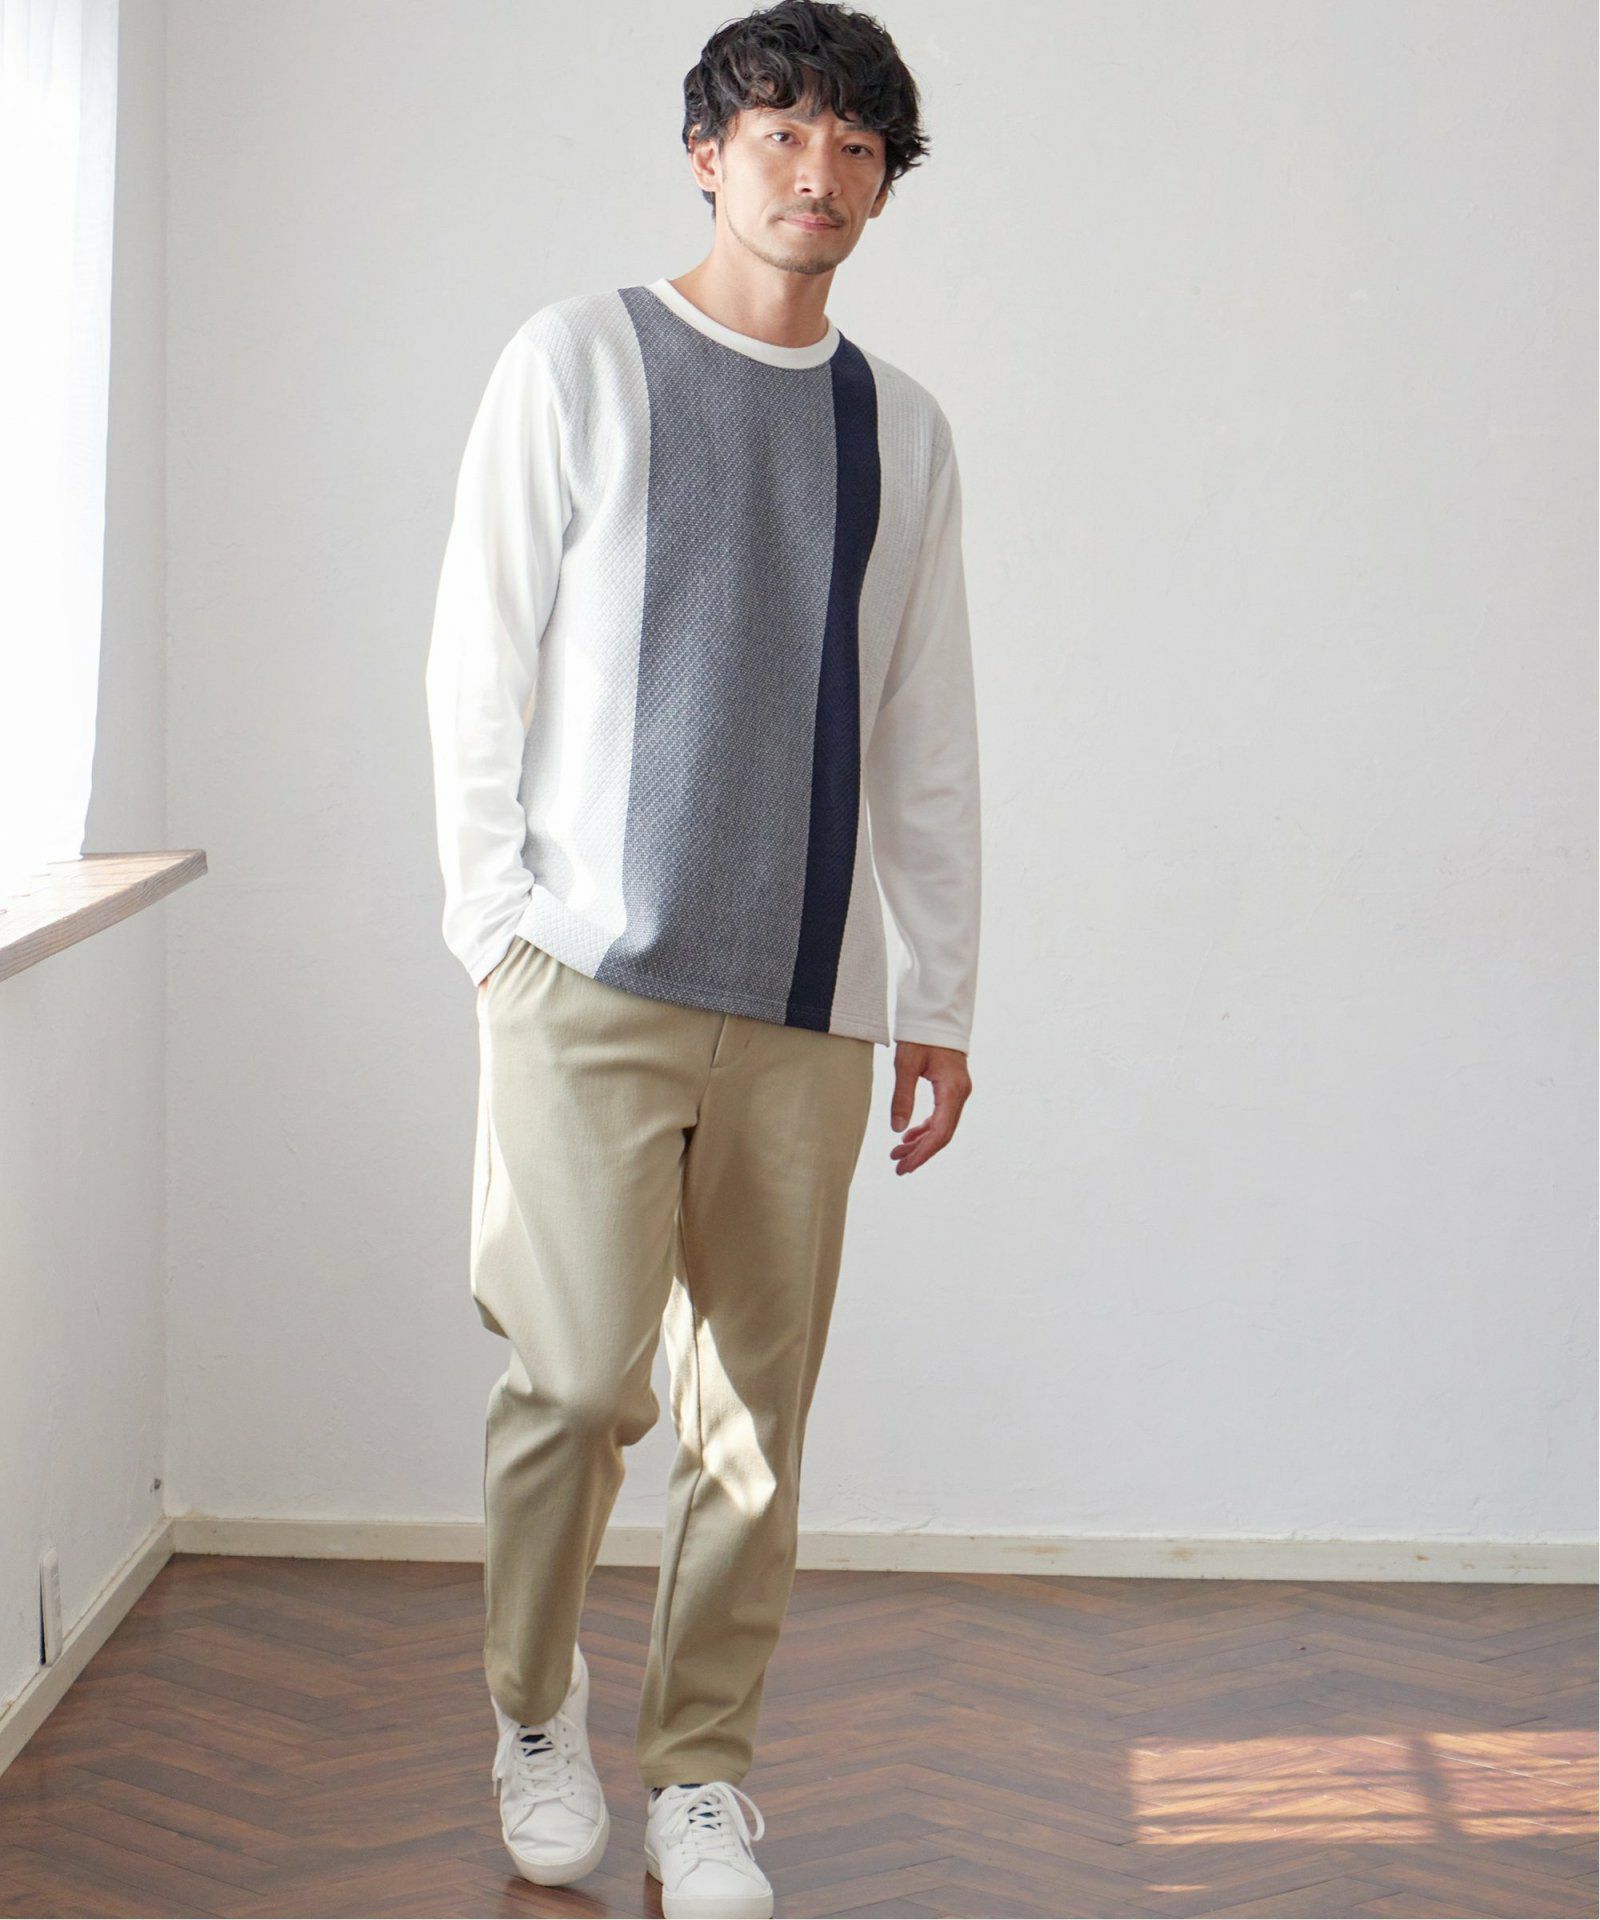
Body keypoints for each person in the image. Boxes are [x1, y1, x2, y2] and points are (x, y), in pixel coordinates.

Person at [424, 3, 980, 1912]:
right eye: (782, 134)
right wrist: (493, 932)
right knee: (575, 1384)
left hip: (810, 1003)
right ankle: (531, 1715)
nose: (819, 174)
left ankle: (701, 1777)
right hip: (584, 977)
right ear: (707, 154)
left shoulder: (900, 428)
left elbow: (925, 728)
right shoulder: (578, 360)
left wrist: (938, 998)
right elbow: (477, 662)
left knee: (755, 1424)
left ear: (883, 185)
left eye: (857, 147)